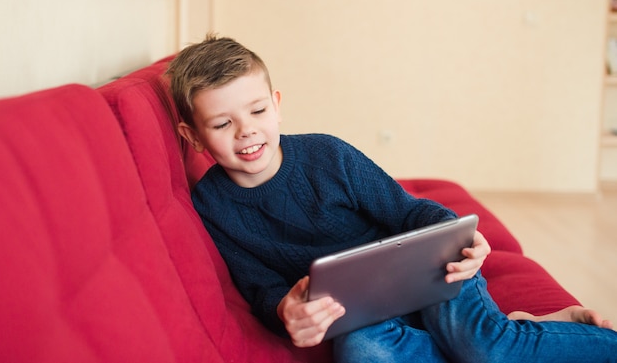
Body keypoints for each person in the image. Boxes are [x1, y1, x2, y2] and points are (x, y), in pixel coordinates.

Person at [168, 34, 617, 362]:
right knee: (362, 354)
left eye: (258, 111)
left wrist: (454, 235)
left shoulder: (326, 155)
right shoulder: (213, 204)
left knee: (485, 348)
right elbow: (259, 286)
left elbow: (410, 212)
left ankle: (510, 335)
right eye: (222, 124)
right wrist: (283, 307)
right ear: (194, 136)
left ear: (277, 104)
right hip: (360, 313)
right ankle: (523, 329)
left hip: (425, 273)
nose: (246, 130)